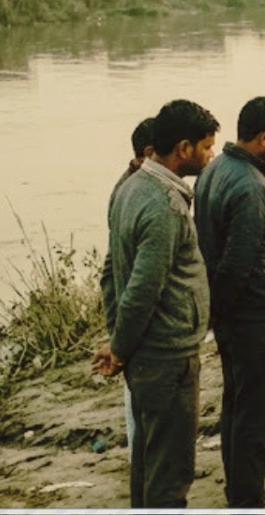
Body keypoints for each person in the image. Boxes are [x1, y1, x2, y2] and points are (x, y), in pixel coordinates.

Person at [94, 99, 219, 508]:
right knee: (171, 470)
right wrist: (120, 348)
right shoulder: (165, 204)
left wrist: (119, 341)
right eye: (205, 147)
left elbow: (112, 273)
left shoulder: (128, 188)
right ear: (183, 148)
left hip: (148, 355)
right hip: (166, 356)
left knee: (147, 461)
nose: (210, 155)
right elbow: (143, 289)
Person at [193, 96, 265, 508]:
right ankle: (248, 499)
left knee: (235, 404)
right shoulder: (251, 186)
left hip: (234, 315)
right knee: (256, 414)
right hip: (253, 313)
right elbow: (239, 260)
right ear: (264, 137)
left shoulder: (215, 169)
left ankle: (240, 489)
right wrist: (227, 309)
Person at [105, 116, 154, 458]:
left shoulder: (133, 188)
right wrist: (117, 333)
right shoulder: (137, 194)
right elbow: (116, 270)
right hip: (136, 322)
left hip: (133, 319)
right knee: (138, 398)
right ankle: (143, 459)